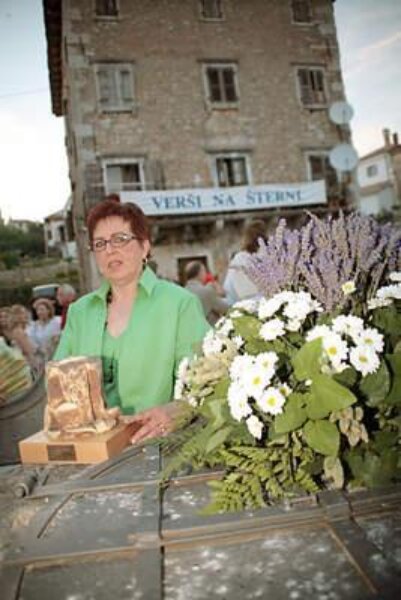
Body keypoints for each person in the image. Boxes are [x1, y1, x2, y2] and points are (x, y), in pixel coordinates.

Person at [54, 195, 210, 443]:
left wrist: (175, 411)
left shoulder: (179, 304)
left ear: (144, 247)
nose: (110, 249)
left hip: (159, 446)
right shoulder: (79, 312)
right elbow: (58, 383)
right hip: (92, 449)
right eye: (100, 243)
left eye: (120, 239)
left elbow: (205, 383)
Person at [223, 219, 267, 304]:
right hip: (264, 303)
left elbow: (229, 288)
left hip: (246, 304)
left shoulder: (239, 258)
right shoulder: (270, 255)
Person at [184, 260, 229, 325]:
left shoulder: (183, 292)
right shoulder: (206, 291)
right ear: (200, 273)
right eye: (205, 271)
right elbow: (226, 309)